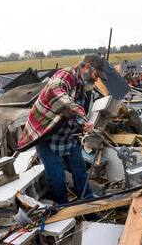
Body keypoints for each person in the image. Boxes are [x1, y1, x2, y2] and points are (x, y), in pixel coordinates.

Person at [17, 53, 107, 204]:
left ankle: (88, 204)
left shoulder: (85, 87)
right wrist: (82, 118)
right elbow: (55, 93)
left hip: (66, 134)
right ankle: (63, 210)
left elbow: (78, 110)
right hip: (46, 134)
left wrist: (84, 124)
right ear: (86, 67)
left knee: (79, 171)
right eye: (96, 74)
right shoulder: (66, 75)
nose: (96, 79)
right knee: (57, 176)